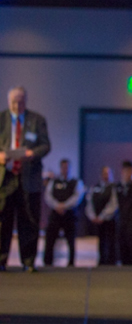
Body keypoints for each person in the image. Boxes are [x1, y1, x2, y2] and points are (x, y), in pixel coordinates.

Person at [0, 86, 51, 272]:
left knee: (28, 220)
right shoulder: (1, 119)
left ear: (25, 101)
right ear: (8, 101)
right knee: (3, 219)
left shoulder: (37, 120)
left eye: (20, 101)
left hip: (28, 178)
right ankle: (1, 259)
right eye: (13, 101)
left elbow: (46, 145)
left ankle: (28, 261)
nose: (16, 105)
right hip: (5, 178)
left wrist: (32, 154)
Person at [43, 158, 85, 267]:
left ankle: (71, 263)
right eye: (63, 167)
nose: (65, 169)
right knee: (50, 239)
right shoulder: (54, 182)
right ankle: (47, 262)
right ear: (60, 168)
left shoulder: (76, 182)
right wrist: (57, 206)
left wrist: (65, 206)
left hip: (69, 215)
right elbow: (48, 196)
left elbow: (77, 197)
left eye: (67, 167)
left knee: (70, 240)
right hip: (56, 214)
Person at [85, 166, 118, 265]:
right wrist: (93, 216)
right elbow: (89, 203)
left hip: (109, 220)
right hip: (97, 220)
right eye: (104, 173)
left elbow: (113, 204)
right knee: (101, 241)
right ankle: (101, 261)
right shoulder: (95, 187)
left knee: (111, 241)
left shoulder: (114, 188)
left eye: (108, 173)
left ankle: (112, 262)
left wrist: (102, 216)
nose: (106, 176)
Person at [115, 160, 132, 265]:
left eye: (129, 171)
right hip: (122, 221)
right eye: (125, 171)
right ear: (122, 171)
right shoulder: (117, 187)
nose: (127, 173)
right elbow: (114, 205)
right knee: (122, 247)